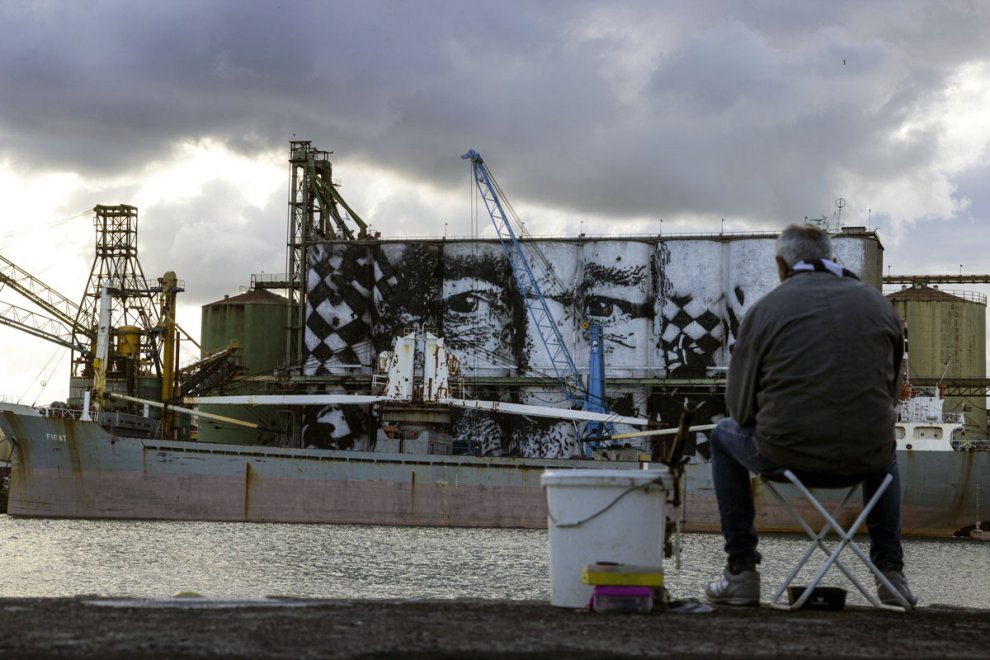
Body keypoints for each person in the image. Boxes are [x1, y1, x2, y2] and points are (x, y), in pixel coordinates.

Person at [704, 223, 917, 608]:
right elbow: (890, 396)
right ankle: (890, 574)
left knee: (722, 433)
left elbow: (739, 408)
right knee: (885, 447)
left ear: (781, 265)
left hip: (785, 457)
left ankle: (741, 572)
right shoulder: (881, 308)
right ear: (833, 258)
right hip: (865, 460)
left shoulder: (765, 310)